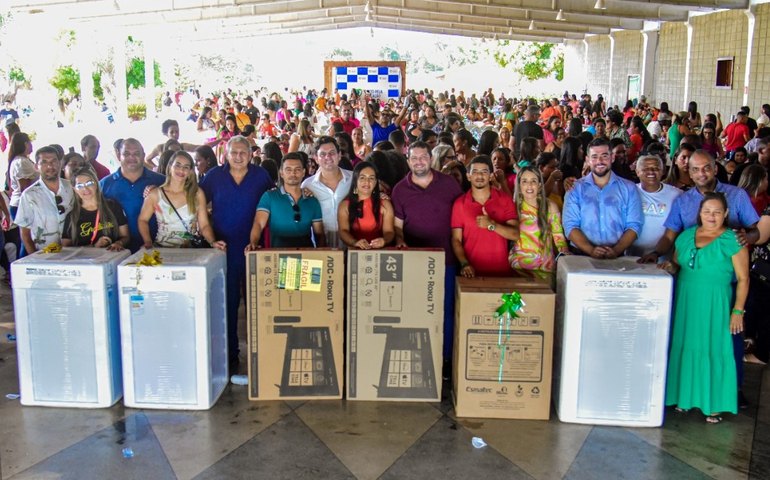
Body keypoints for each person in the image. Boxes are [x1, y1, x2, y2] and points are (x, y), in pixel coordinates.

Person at [640, 149, 759, 409]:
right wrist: (656, 253)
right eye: (695, 169)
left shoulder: (736, 196)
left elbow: (755, 230)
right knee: (688, 337)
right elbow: (671, 236)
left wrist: (746, 239)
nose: (701, 173)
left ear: (715, 168)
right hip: (692, 281)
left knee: (728, 339)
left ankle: (730, 390)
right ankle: (686, 392)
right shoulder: (683, 201)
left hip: (724, 283)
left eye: (706, 168)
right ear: (688, 172)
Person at [662, 192, 748, 423]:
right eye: (707, 211)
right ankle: (684, 398)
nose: (712, 216)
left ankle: (714, 404)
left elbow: (743, 279)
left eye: (717, 212)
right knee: (685, 344)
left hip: (716, 303)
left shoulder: (733, 240)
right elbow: (678, 264)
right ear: (699, 213)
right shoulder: (686, 236)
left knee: (714, 347)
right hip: (687, 300)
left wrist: (738, 311)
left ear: (726, 214)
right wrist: (668, 267)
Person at [200, 136, 273, 374]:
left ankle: (261, 350)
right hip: (225, 248)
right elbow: (197, 201)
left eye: (244, 152)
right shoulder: (214, 177)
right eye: (234, 153)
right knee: (228, 302)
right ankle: (231, 353)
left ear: (251, 154)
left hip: (254, 247)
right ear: (226, 155)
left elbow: (273, 200)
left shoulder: (261, 176)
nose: (239, 157)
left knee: (258, 301)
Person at [392, 141, 463, 367]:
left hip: (448, 259)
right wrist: (401, 240)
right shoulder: (400, 190)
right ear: (408, 160)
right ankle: (421, 358)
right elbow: (397, 226)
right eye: (414, 158)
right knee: (417, 309)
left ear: (431, 159)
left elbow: (461, 219)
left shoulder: (449, 184)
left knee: (447, 311)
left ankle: (446, 359)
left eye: (423, 157)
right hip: (415, 262)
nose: (419, 162)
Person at [562, 138, 642, 258]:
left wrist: (616, 250)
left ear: (612, 158)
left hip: (618, 256)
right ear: (587, 160)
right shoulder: (575, 188)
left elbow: (634, 225)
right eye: (594, 157)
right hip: (581, 255)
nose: (599, 161)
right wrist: (591, 250)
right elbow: (570, 225)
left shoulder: (629, 188)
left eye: (604, 156)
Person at [138, 151, 223, 250]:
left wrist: (213, 242)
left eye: (186, 167)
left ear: (190, 172)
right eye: (177, 165)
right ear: (170, 167)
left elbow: (204, 225)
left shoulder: (197, 194)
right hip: (162, 250)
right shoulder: (155, 194)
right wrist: (147, 242)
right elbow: (142, 220)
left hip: (190, 252)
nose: (181, 170)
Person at [451, 155, 519, 277]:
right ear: (468, 176)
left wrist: (492, 225)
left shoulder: (505, 199)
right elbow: (456, 240)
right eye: (475, 172)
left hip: (502, 273)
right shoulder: (459, 203)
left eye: (484, 171)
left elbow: (515, 235)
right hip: (471, 274)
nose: (480, 176)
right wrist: (464, 264)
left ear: (490, 176)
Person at [246, 152, 324, 249]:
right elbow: (258, 223)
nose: (293, 173)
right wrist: (253, 242)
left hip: (306, 258)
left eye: (297, 169)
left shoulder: (312, 201)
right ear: (281, 173)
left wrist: (322, 254)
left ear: (304, 172)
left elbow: (319, 234)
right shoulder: (269, 197)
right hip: (277, 257)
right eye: (288, 170)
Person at [100, 138, 165, 252]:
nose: (132, 157)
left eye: (136, 153)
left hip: (156, 248)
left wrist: (159, 192)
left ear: (143, 155)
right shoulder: (104, 184)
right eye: (126, 154)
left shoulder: (161, 181)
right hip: (117, 251)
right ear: (119, 155)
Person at [509, 166, 569, 278]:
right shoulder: (513, 207)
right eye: (524, 181)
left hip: (545, 268)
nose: (529, 185)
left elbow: (558, 235)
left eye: (533, 181)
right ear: (519, 186)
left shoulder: (550, 206)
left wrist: (564, 251)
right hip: (518, 268)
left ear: (540, 185)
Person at [15, 146, 75, 254]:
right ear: (36, 166)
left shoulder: (71, 188)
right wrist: (36, 259)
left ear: (60, 163)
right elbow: (25, 234)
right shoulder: (29, 195)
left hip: (73, 251)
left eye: (53, 161)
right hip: (44, 255)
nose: (49, 166)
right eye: (44, 162)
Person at [300, 136, 352, 248]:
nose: (328, 157)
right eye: (322, 154)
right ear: (316, 158)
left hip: (352, 243)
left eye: (332, 153)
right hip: (321, 245)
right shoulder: (307, 185)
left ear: (339, 155)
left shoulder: (353, 179)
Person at [61, 167, 129, 250]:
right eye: (80, 186)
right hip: (85, 262)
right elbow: (65, 249)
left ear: (96, 183)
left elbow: (125, 236)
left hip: (113, 259)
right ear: (74, 189)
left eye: (89, 183)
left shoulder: (113, 206)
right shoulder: (72, 216)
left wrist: (119, 243)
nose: (85, 189)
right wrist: (93, 247)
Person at [627, 155, 682, 257]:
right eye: (646, 169)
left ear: (663, 171)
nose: (651, 172)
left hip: (662, 257)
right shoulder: (629, 192)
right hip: (631, 255)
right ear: (637, 172)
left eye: (656, 168)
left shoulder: (676, 194)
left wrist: (657, 254)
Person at [338, 161, 394, 249]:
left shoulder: (385, 204)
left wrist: (384, 240)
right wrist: (355, 242)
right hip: (354, 252)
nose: (367, 182)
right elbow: (343, 231)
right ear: (355, 180)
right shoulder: (345, 205)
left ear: (376, 182)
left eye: (371, 178)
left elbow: (389, 231)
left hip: (379, 252)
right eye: (362, 178)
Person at [5, 132, 37, 219]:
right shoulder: (21, 162)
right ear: (26, 144)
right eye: (30, 142)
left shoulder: (23, 160)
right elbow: (25, 188)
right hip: (23, 206)